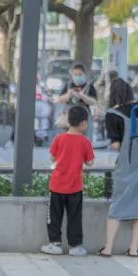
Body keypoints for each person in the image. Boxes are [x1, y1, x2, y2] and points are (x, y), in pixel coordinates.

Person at [98, 78, 138, 257]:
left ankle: (108, 247)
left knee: (118, 201)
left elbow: (116, 146)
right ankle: (134, 248)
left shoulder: (113, 114)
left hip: (128, 164)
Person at [41, 105, 95, 256]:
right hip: (75, 186)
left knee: (54, 216)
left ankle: (55, 244)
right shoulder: (85, 142)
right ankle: (75, 246)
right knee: (75, 217)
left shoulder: (59, 138)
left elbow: (52, 157)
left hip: (57, 184)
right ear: (83, 124)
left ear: (68, 121)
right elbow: (90, 162)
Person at [56, 63, 98, 129]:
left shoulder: (90, 87)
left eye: (80, 74)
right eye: (75, 75)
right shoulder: (68, 85)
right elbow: (60, 99)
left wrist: (83, 96)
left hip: (83, 118)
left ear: (84, 75)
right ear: (72, 76)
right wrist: (68, 95)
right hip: (68, 118)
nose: (77, 76)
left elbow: (94, 102)